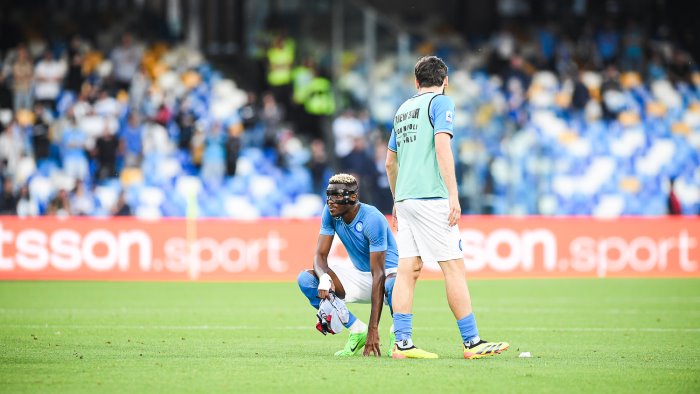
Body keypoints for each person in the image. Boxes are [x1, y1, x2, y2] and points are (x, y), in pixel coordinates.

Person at [385, 56, 509, 359]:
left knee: (407, 270)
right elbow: (442, 146)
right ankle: (472, 343)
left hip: (406, 199)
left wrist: (397, 201)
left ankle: (402, 344)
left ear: (416, 81)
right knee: (453, 268)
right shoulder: (441, 103)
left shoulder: (402, 110)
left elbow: (390, 162)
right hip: (431, 197)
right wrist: (453, 194)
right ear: (445, 80)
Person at [297, 173, 397, 357]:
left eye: (336, 196)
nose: (330, 202)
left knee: (394, 284)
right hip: (360, 276)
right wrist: (324, 278)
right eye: (328, 195)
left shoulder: (372, 218)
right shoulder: (330, 212)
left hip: (387, 276)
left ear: (352, 197)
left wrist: (373, 329)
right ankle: (356, 329)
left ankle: (398, 338)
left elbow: (379, 274)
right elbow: (319, 256)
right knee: (307, 279)